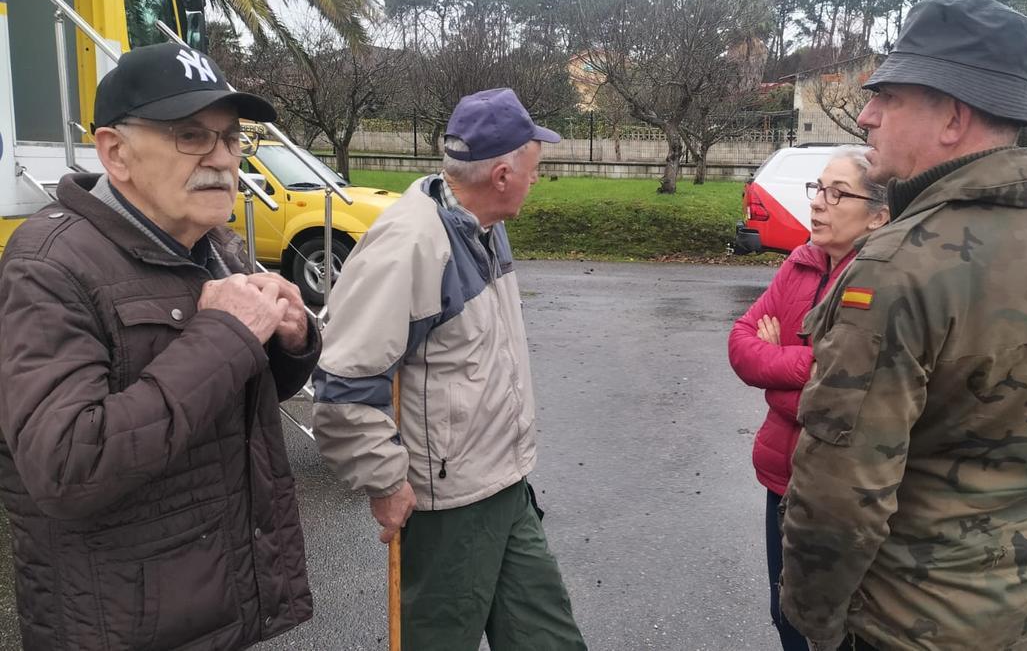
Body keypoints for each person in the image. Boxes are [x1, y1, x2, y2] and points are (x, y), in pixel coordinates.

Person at [778, 0, 1027, 651]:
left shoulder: (896, 265)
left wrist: (815, 626)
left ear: (954, 118)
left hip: (904, 628)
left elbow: (840, 490)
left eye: (889, 97)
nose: (867, 115)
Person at [0, 43, 320, 650]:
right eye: (191, 135)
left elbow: (232, 399)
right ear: (115, 152)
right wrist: (227, 335)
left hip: (217, 601)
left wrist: (290, 339)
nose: (222, 159)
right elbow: (67, 466)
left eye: (230, 138)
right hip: (123, 625)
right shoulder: (48, 266)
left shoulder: (212, 243)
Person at [312, 88, 587, 651]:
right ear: (504, 173)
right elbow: (343, 385)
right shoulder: (409, 246)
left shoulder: (484, 222)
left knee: (549, 639)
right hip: (449, 506)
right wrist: (384, 479)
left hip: (507, 484)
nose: (540, 176)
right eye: (535, 164)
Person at [728, 146, 889, 651]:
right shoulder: (800, 263)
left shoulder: (880, 282)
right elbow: (740, 343)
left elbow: (848, 399)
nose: (818, 203)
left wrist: (779, 368)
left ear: (879, 216)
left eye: (837, 193)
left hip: (838, 487)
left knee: (836, 625)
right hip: (782, 475)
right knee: (785, 613)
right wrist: (807, 366)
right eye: (818, 188)